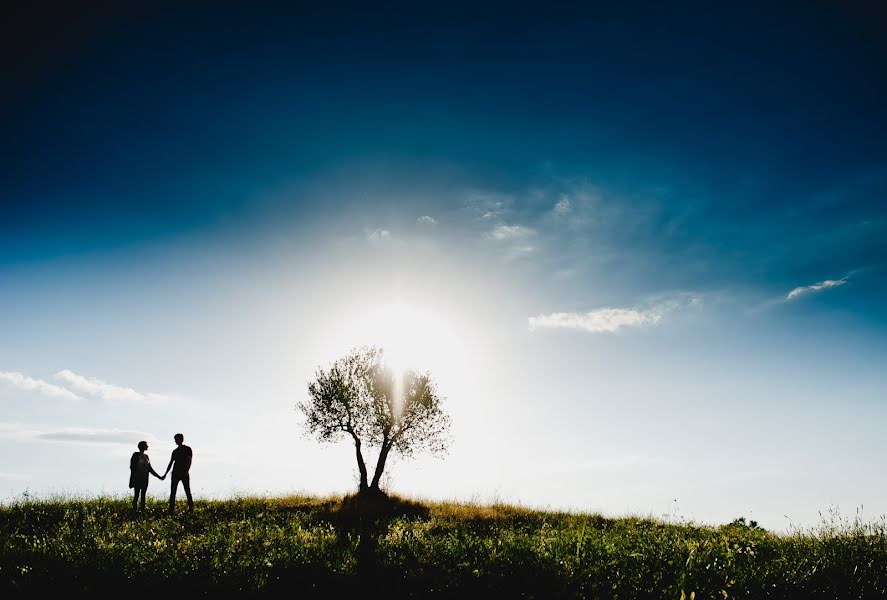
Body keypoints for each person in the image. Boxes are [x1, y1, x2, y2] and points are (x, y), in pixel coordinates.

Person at [129, 440, 164, 511]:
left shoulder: (146, 456)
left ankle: (142, 510)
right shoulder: (135, 455)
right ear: (142, 446)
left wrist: (159, 476)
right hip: (137, 478)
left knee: (143, 495)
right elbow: (132, 468)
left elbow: (150, 469)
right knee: (137, 495)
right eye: (146, 445)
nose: (147, 446)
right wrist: (132, 479)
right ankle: (134, 510)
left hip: (145, 478)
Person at [164, 432, 193, 513]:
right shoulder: (175, 451)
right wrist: (166, 473)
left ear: (181, 439)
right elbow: (171, 463)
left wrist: (186, 471)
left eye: (176, 439)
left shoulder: (187, 449)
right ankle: (171, 509)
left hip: (183, 473)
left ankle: (191, 508)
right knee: (173, 492)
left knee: (187, 490)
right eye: (175, 439)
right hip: (175, 473)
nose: (175, 441)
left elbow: (189, 461)